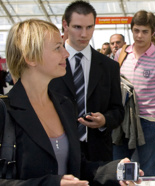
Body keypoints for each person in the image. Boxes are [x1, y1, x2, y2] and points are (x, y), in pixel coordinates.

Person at [1, 18, 142, 186]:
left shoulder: (64, 105)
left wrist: (112, 170)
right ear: (31, 58)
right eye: (57, 48)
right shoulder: (5, 111)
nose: (66, 54)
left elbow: (77, 167)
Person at [49, 0, 124, 162]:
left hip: (97, 151)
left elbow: (118, 111)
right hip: (57, 149)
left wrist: (104, 120)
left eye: (89, 27)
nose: (84, 34)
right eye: (77, 27)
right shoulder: (49, 62)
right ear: (65, 25)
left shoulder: (109, 66)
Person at [114, 10, 155, 176]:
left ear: (153, 32)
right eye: (136, 30)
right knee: (121, 168)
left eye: (144, 31)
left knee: (148, 171)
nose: (139, 35)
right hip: (124, 121)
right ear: (132, 30)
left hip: (150, 122)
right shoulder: (121, 55)